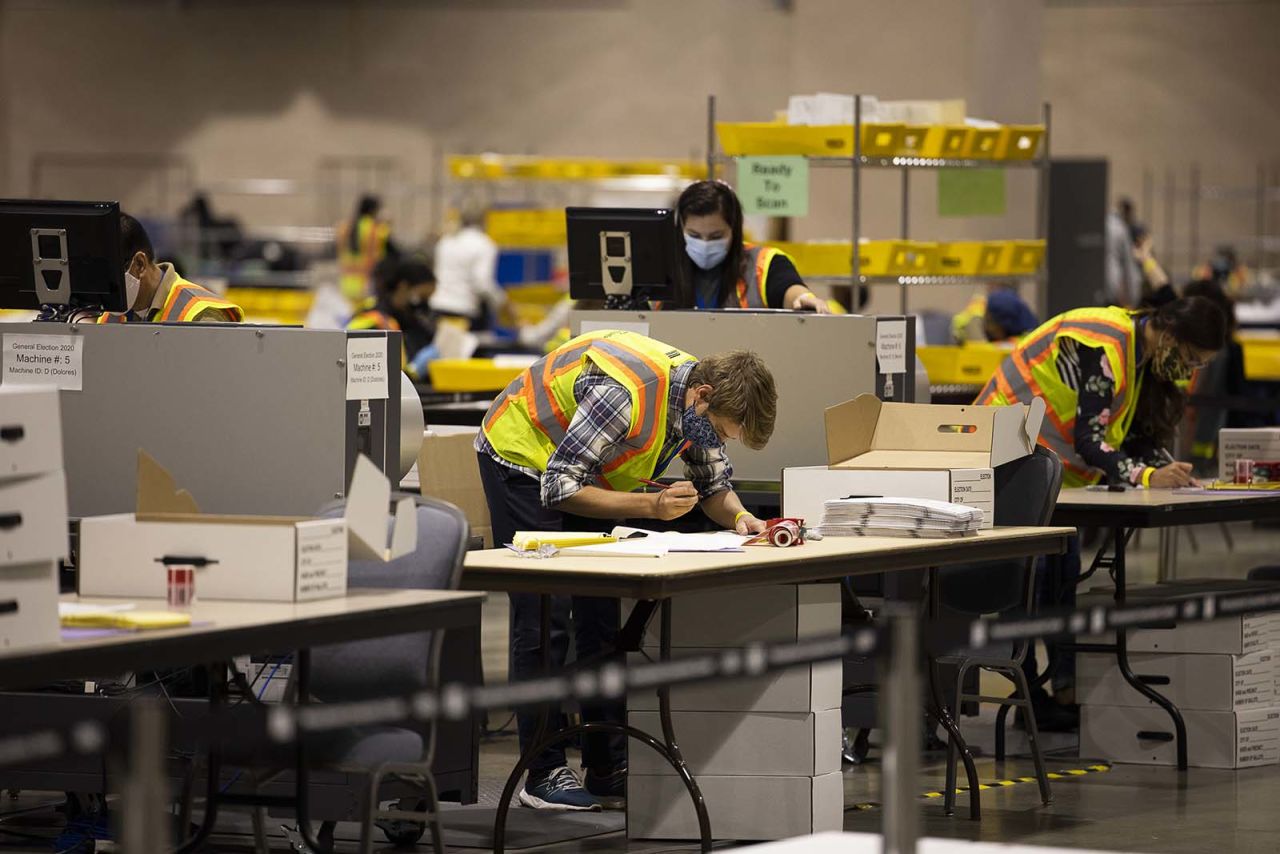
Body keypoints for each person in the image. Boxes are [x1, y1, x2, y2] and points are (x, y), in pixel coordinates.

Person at [476, 328, 776, 810]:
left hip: (585, 469)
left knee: (600, 613)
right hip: (524, 458)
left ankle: (606, 768)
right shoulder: (628, 396)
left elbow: (716, 488)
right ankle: (542, 770)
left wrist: (744, 520)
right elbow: (559, 488)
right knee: (542, 614)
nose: (720, 441)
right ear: (704, 398)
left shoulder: (698, 408)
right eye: (723, 432)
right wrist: (652, 508)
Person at [976, 297, 1227, 729]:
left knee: (1063, 575)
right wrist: (1147, 476)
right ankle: (1026, 696)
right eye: (1189, 359)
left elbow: (1121, 433)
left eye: (1198, 366)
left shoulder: (1141, 354)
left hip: (1049, 473)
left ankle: (1063, 691)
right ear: (1170, 335)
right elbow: (1092, 440)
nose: (1188, 371)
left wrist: (1159, 466)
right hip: (1005, 457)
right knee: (1023, 583)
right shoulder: (1107, 345)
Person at [666, 180, 829, 313]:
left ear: (735, 230)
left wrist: (803, 298)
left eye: (716, 236)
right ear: (680, 229)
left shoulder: (765, 263)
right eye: (694, 235)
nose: (705, 244)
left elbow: (790, 290)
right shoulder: (662, 266)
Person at [94, 213, 244, 324]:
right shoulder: (109, 318)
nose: (104, 289)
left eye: (109, 276)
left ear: (139, 264)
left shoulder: (201, 316)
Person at [346, 254, 439, 379]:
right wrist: (412, 372)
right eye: (421, 297)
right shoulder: (372, 319)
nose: (423, 305)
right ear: (403, 287)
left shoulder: (412, 319)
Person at [430, 204, 508, 330]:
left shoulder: (446, 241)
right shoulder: (484, 244)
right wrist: (502, 302)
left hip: (437, 309)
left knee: (441, 349)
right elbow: (483, 284)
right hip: (463, 313)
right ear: (484, 221)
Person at [337, 195, 394, 304]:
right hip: (366, 282)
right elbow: (380, 255)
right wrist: (387, 223)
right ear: (374, 210)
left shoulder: (345, 227)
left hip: (346, 281)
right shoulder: (375, 229)